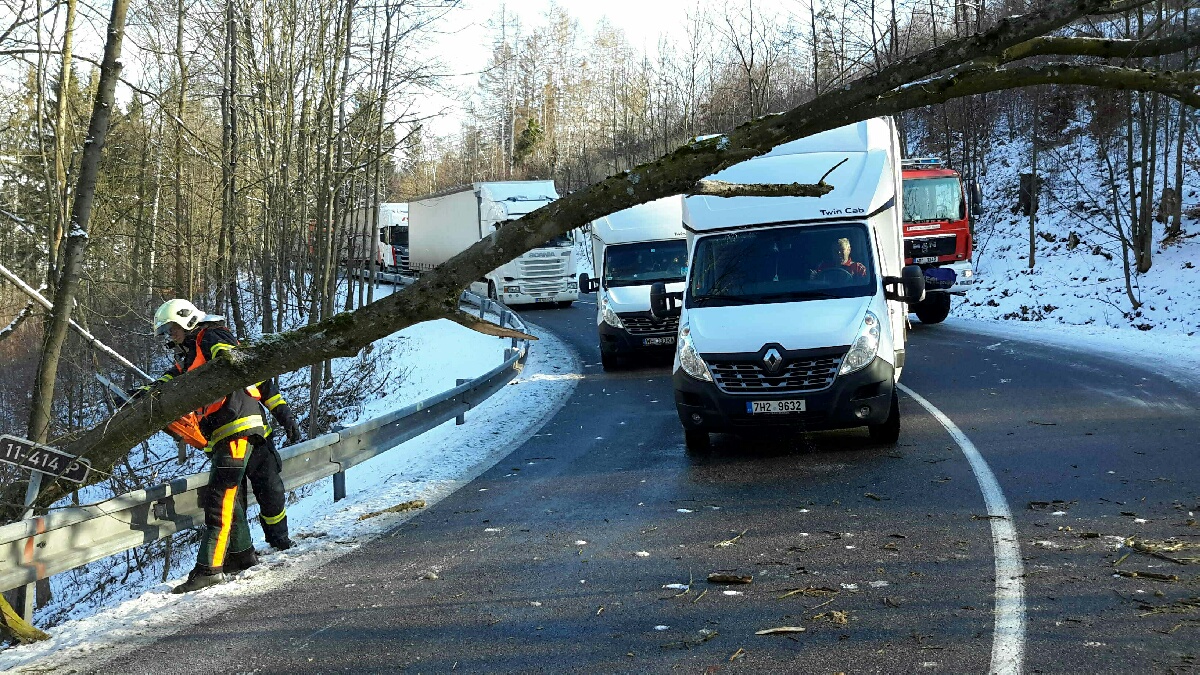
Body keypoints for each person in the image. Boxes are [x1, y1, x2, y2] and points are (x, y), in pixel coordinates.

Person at [149, 299, 273, 593]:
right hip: (223, 432)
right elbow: (173, 377)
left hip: (236, 427)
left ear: (187, 320)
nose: (171, 335)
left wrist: (227, 358)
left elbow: (231, 359)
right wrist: (148, 391)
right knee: (226, 495)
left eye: (172, 329)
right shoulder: (193, 352)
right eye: (167, 331)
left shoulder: (212, 335)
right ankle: (242, 555)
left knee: (219, 499)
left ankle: (208, 569)